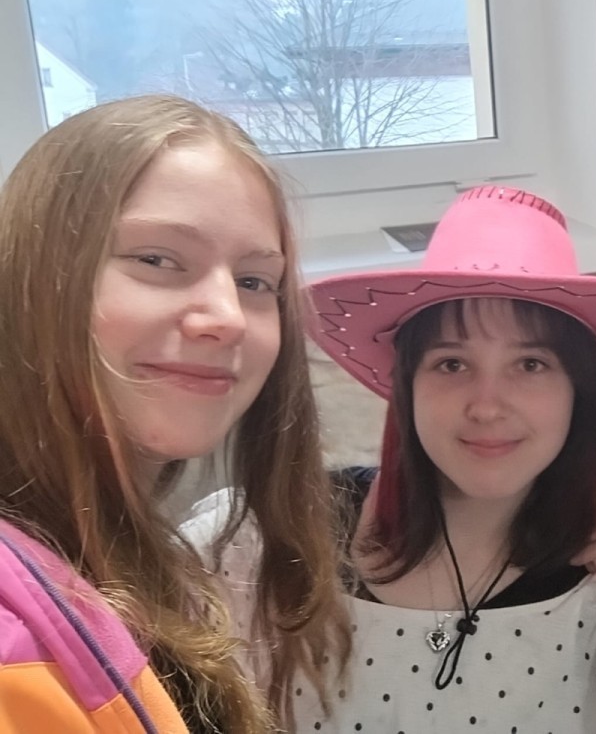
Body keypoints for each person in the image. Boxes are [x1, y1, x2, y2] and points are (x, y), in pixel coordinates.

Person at [189, 184, 596, 732]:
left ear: (578, 393)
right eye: (452, 363)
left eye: (530, 364)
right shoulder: (273, 536)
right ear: (407, 385)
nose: (487, 405)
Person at [0, 96, 348, 733]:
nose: (227, 317)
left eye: (254, 281)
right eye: (157, 260)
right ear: (33, 280)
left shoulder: (146, 560)